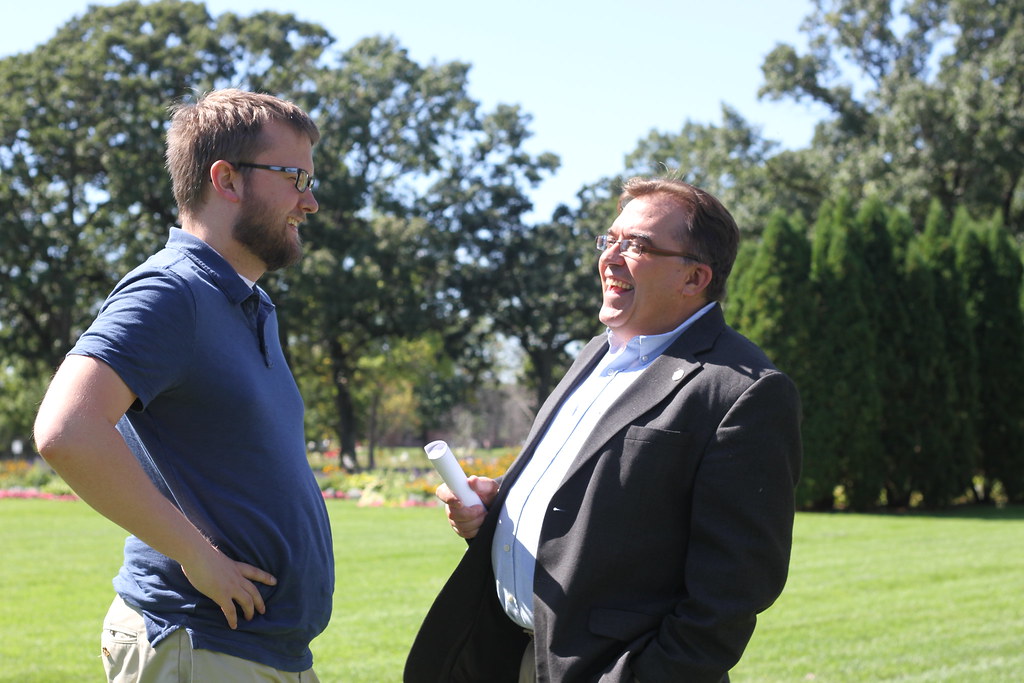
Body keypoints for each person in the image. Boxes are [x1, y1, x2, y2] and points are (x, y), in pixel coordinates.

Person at [405, 176, 802, 683]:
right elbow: (594, 496)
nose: (611, 256)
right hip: (507, 656)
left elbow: (731, 593)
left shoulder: (743, 390)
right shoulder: (596, 354)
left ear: (694, 278)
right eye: (610, 239)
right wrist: (500, 504)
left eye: (636, 245)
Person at [33, 88, 334, 681]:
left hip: (253, 649)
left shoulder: (251, 305)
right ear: (227, 180)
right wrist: (197, 556)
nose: (312, 201)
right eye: (296, 177)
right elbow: (67, 429)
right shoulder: (171, 292)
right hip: (198, 645)